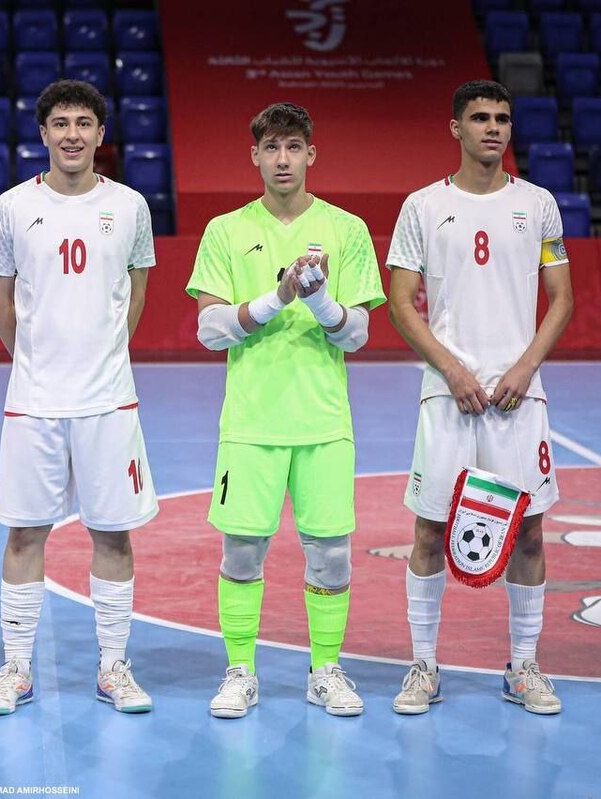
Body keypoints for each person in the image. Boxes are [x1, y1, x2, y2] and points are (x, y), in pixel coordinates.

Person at [186, 102, 385, 719]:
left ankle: (325, 669)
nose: (282, 159)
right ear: (255, 156)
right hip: (251, 424)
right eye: (271, 148)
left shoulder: (348, 229)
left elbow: (358, 334)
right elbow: (210, 329)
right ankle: (240, 671)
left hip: (323, 422)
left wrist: (321, 300)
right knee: (242, 553)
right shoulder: (224, 230)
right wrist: (280, 296)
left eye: (293, 147)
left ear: (310, 155)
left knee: (331, 555)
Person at [387, 80, 573, 716]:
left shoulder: (539, 204)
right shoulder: (422, 206)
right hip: (448, 395)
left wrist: (524, 367)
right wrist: (452, 369)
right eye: (480, 118)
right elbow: (401, 302)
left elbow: (562, 298)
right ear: (456, 128)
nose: (493, 128)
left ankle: (524, 666)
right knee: (430, 528)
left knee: (530, 532)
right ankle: (423, 665)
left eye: (502, 118)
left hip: (520, 397)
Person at [0, 79, 158, 716]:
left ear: (101, 134)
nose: (72, 134)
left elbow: (136, 291)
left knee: (112, 535)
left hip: (109, 400)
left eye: (84, 123)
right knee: (25, 533)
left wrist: (103, 354)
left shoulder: (131, 206)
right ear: (44, 133)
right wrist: (35, 358)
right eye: (61, 123)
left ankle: (114, 667)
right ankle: (16, 668)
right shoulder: (12, 207)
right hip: (34, 400)